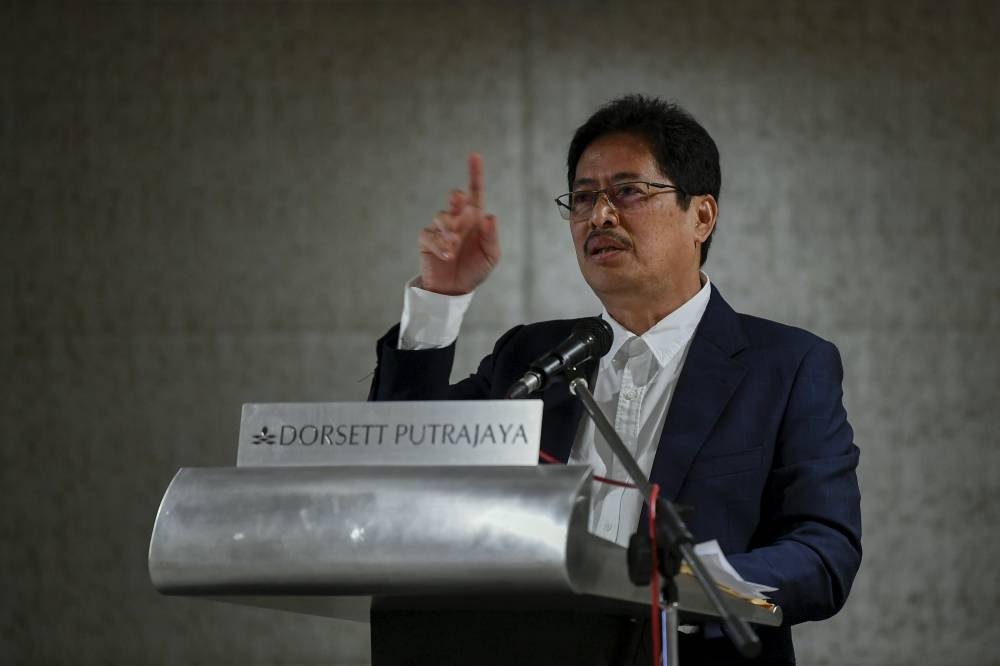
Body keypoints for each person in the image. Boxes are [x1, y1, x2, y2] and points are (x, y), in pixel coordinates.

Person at [368, 94, 861, 664]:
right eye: (582, 197)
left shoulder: (787, 365)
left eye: (628, 191)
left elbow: (825, 553)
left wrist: (687, 578)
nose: (599, 215)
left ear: (701, 215)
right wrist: (439, 300)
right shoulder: (532, 356)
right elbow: (402, 456)